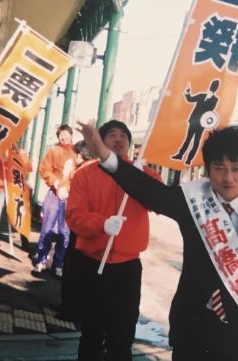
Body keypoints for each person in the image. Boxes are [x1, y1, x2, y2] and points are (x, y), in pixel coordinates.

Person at [78, 123, 238, 361]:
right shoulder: (193, 201)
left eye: (237, 168)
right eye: (219, 168)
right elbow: (149, 191)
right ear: (207, 171)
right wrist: (104, 154)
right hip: (193, 334)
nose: (228, 178)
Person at [65, 120, 162, 361]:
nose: (119, 139)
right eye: (111, 135)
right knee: (91, 334)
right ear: (100, 141)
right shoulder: (85, 175)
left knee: (122, 337)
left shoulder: (142, 174)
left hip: (127, 269)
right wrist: (102, 224)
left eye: (124, 136)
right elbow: (74, 216)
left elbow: (160, 200)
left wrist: (142, 176)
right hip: (91, 265)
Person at [59, 140, 95, 321]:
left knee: (73, 267)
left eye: (76, 154)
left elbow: (65, 191)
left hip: (79, 223)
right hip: (88, 226)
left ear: (82, 155)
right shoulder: (95, 169)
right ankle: (75, 308)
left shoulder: (82, 171)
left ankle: (69, 309)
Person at [33, 124, 76, 275]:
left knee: (65, 231)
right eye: (61, 135)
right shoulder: (53, 151)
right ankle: (40, 259)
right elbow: (43, 169)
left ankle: (59, 262)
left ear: (71, 135)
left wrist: (69, 187)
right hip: (54, 193)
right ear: (58, 137)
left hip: (70, 196)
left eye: (66, 134)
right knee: (48, 227)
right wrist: (56, 182)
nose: (63, 137)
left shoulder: (76, 153)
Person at [171, 79, 220, 166]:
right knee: (188, 139)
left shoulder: (215, 100)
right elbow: (190, 99)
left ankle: (189, 159)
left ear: (216, 88)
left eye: (215, 86)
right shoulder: (202, 95)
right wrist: (188, 93)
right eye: (213, 85)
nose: (213, 87)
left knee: (196, 142)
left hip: (202, 124)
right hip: (193, 121)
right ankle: (180, 155)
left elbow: (209, 111)